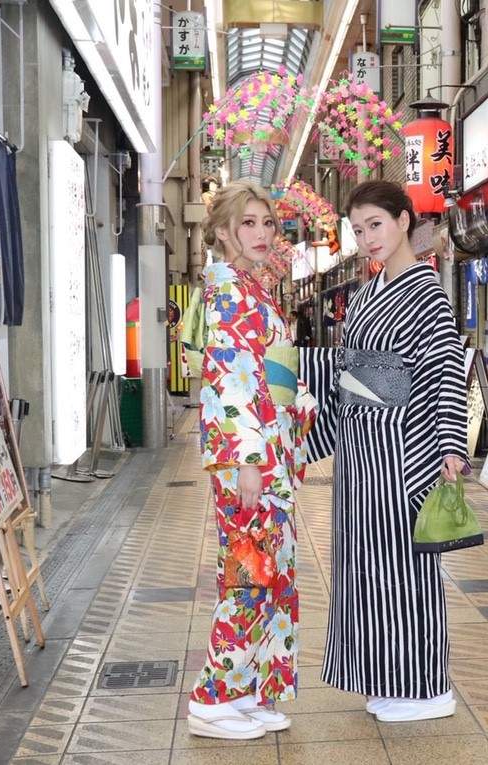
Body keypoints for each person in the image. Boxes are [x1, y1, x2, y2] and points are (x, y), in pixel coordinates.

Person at [301, 181, 468, 723]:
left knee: (405, 566)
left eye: (376, 224)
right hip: (360, 450)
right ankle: (386, 677)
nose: (367, 238)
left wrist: (451, 447)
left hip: (406, 445)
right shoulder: (370, 291)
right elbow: (351, 367)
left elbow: (444, 373)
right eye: (358, 230)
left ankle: (426, 688)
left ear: (403, 221)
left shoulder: (428, 292)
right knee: (366, 567)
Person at [188, 181, 316, 740]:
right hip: (251, 457)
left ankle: (253, 689)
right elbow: (230, 382)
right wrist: (245, 457)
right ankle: (214, 697)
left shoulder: (252, 288)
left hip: (268, 452)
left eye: (268, 222)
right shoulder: (226, 291)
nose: (262, 233)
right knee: (249, 575)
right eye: (248, 223)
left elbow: (274, 375)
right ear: (222, 232)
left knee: (273, 574)